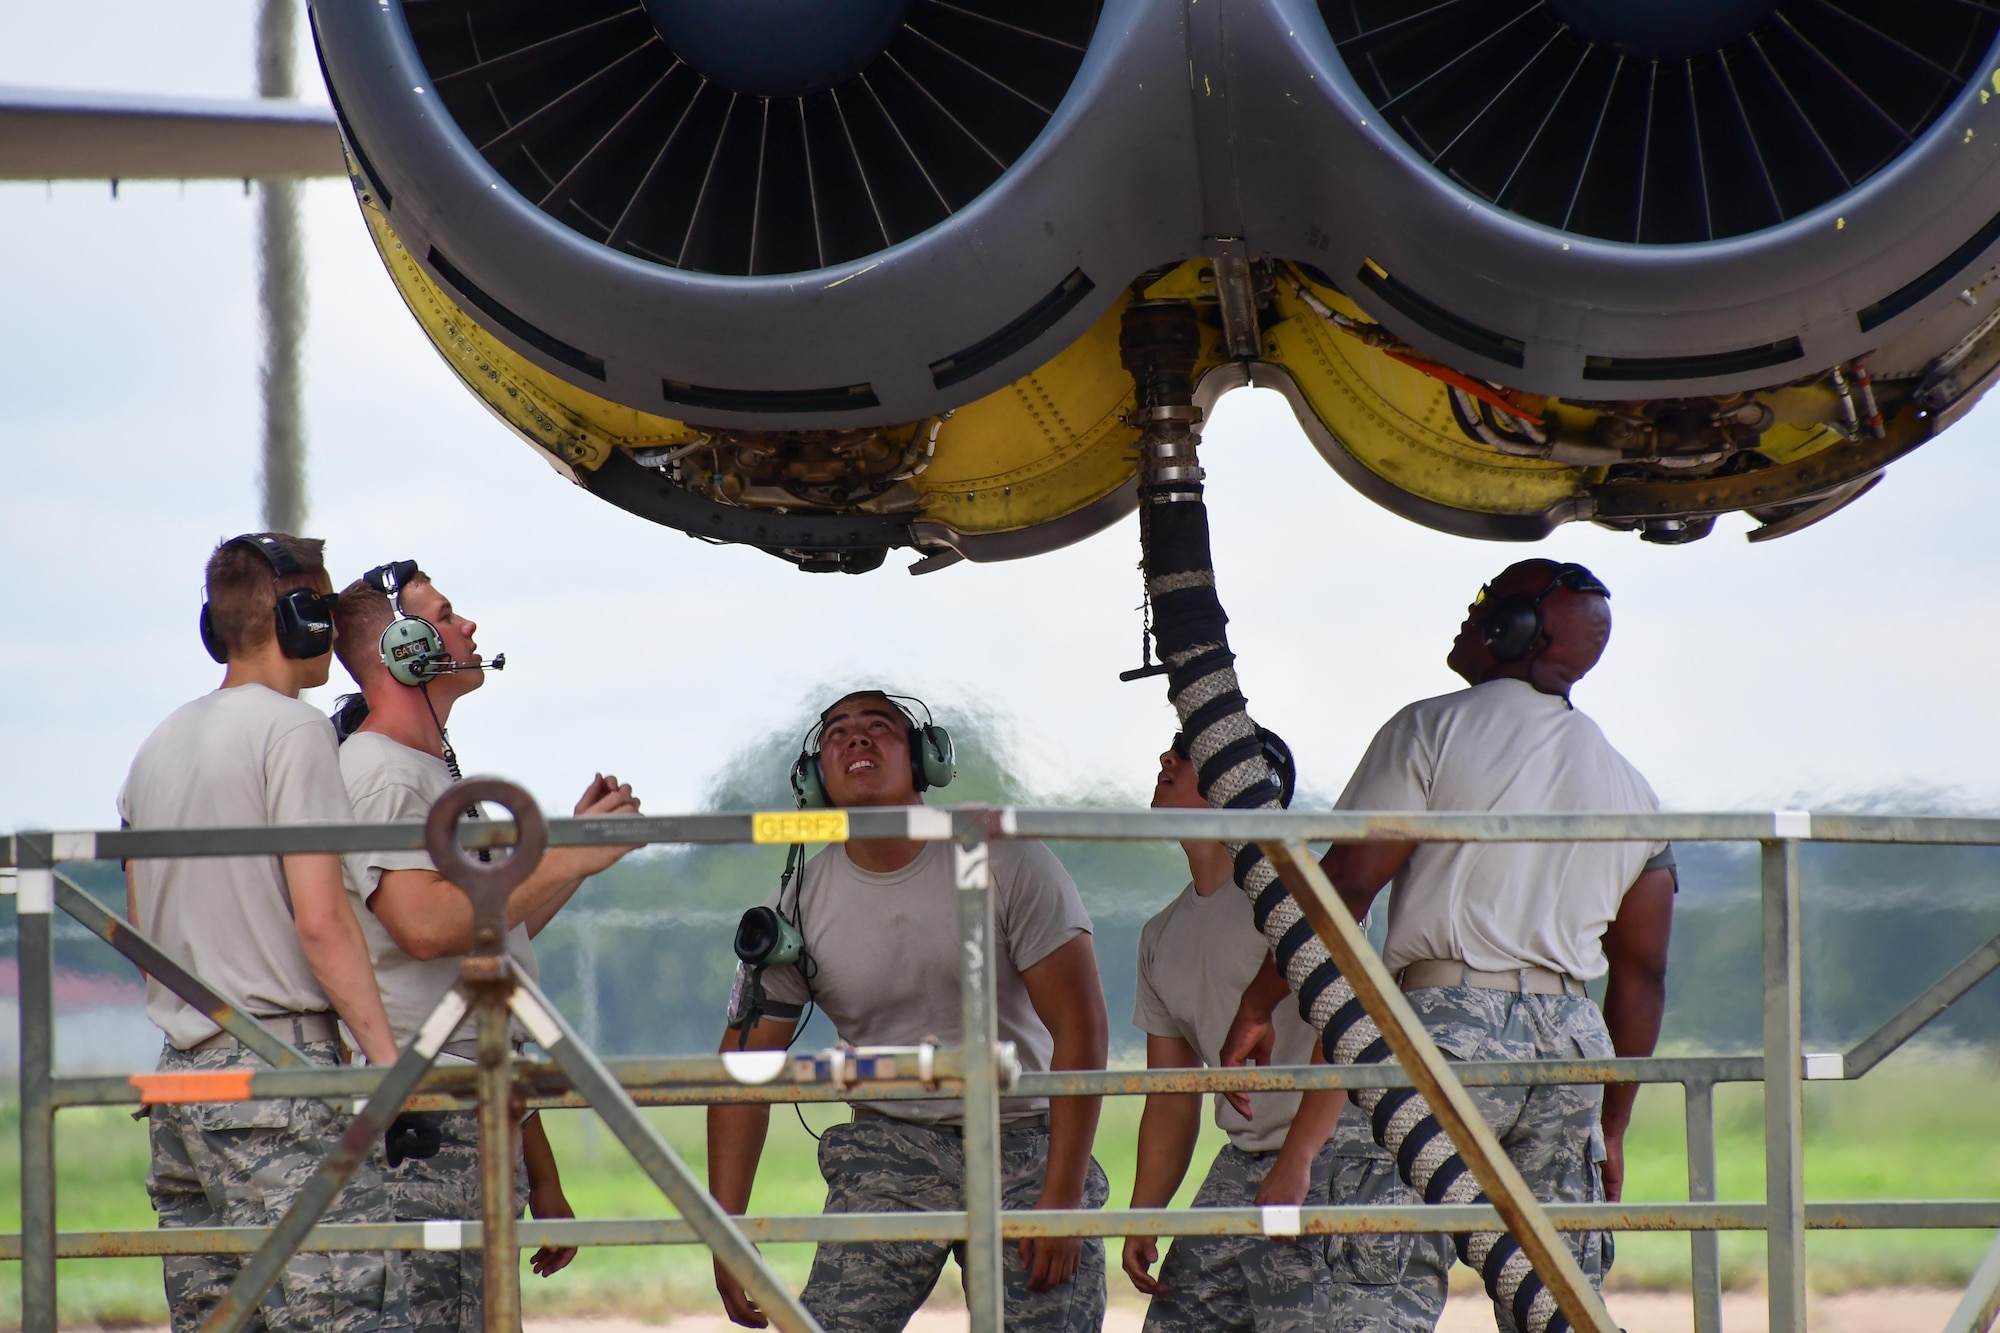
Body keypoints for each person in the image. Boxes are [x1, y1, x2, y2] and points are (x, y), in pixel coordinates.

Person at [1224, 559, 1676, 1332]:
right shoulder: (1633, 787)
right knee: (1559, 1300)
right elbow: (1641, 974)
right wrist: (1610, 1121)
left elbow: (1346, 885)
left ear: (1519, 631)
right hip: (1575, 1044)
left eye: (1485, 605)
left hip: (1449, 1022)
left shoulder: (1432, 727)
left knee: (1369, 1290)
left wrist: (1260, 998)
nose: (1469, 617)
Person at [708, 690, 1111, 1333]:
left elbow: (1082, 1028)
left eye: (879, 728)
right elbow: (743, 1066)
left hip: (1025, 1135)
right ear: (816, 776)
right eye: (838, 732)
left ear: (926, 759)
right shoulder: (799, 898)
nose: (857, 740)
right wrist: (725, 1229)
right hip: (889, 1140)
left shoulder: (1005, 857)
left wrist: (1060, 1200)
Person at [331, 562, 643, 1333]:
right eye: (445, 614)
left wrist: (567, 845)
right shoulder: (380, 773)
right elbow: (430, 927)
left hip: (467, 1101)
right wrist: (572, 856)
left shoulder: (419, 770)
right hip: (432, 1105)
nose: (468, 627)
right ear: (404, 647)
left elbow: (494, 930)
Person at [121, 533, 409, 1333]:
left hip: (181, 1078)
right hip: (275, 1069)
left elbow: (139, 924)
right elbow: (322, 920)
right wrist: (389, 1063)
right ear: (300, 620)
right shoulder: (294, 730)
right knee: (343, 1313)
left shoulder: (157, 745)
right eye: (319, 607)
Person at [1121, 733, 1345, 1332]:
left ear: (1242, 780)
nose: (1165, 759)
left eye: (1185, 751)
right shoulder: (1159, 935)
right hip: (1245, 1157)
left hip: (1337, 1153)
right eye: (1167, 749)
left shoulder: (1300, 889)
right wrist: (1146, 1214)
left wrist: (1298, 1159)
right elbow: (1172, 1096)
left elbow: (1348, 1030)